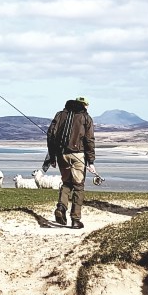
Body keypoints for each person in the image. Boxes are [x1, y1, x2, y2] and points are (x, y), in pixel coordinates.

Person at [43, 96, 96, 228]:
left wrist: (52, 156)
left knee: (66, 183)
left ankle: (61, 207)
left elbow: (51, 134)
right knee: (78, 186)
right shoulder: (86, 117)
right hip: (78, 155)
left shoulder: (60, 115)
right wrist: (91, 161)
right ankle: (75, 220)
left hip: (62, 155)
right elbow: (89, 140)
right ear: (84, 105)